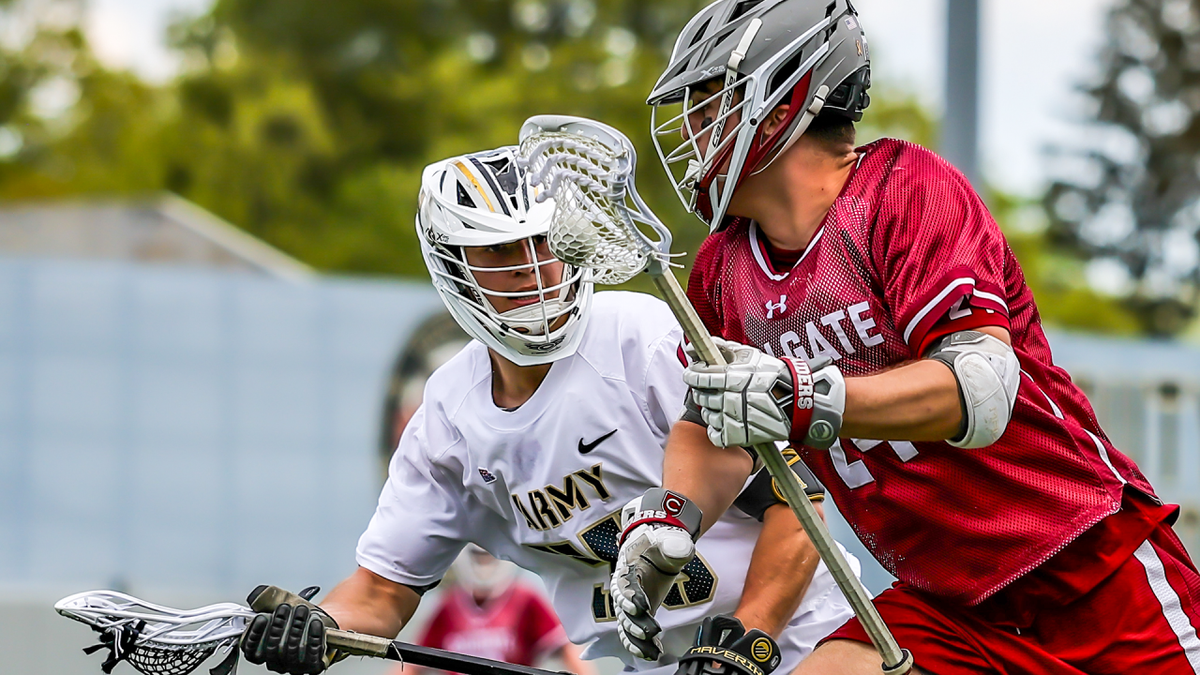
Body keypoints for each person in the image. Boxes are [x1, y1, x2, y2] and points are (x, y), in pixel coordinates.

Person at [606, 1, 1200, 674]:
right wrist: (671, 515)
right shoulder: (722, 267)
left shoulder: (903, 191)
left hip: (1086, 566)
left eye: (712, 106)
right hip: (945, 606)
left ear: (781, 106)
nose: (694, 129)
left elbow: (977, 392)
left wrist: (801, 393)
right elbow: (709, 425)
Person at [237, 146, 859, 675]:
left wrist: (743, 642)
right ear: (454, 268)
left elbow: (797, 507)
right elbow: (382, 590)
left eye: (543, 243)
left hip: (797, 643)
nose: (535, 271)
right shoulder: (449, 421)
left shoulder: (639, 341)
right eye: (504, 254)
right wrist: (317, 625)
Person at [402, 545, 592, 675]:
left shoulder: (526, 600)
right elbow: (412, 665)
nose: (483, 563)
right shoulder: (447, 606)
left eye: (488, 557)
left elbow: (568, 651)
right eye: (478, 557)